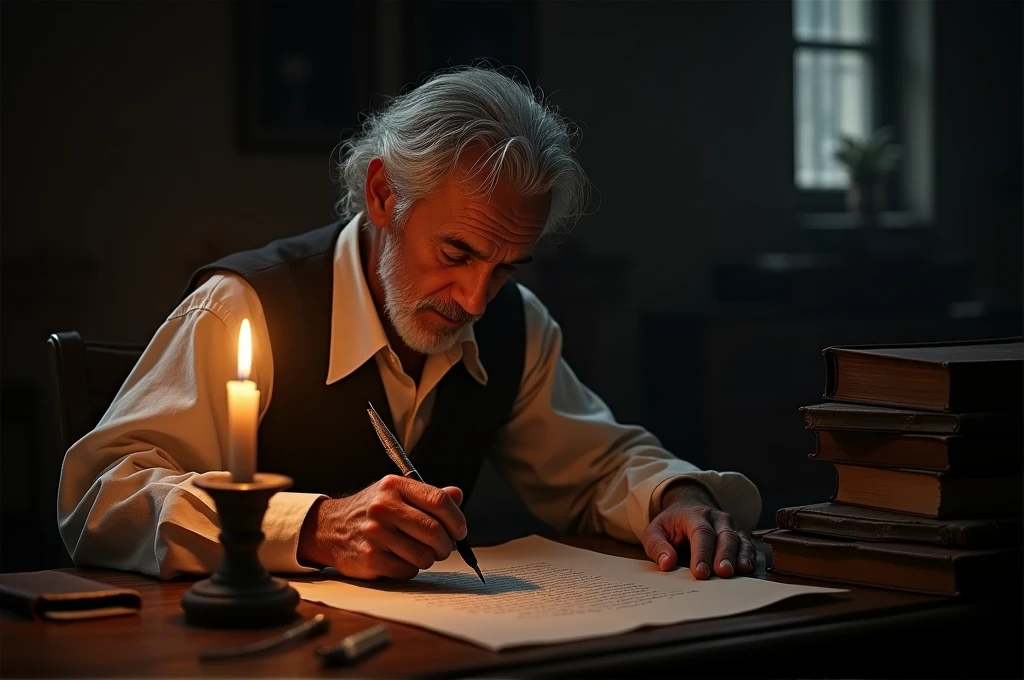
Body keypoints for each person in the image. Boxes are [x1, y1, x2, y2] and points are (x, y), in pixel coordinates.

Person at [57, 66, 761, 583]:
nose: (478, 300)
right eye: (456, 253)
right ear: (383, 193)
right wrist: (310, 526)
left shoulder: (514, 326)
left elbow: (598, 465)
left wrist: (678, 496)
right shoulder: (244, 309)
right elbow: (104, 495)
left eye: (507, 267)